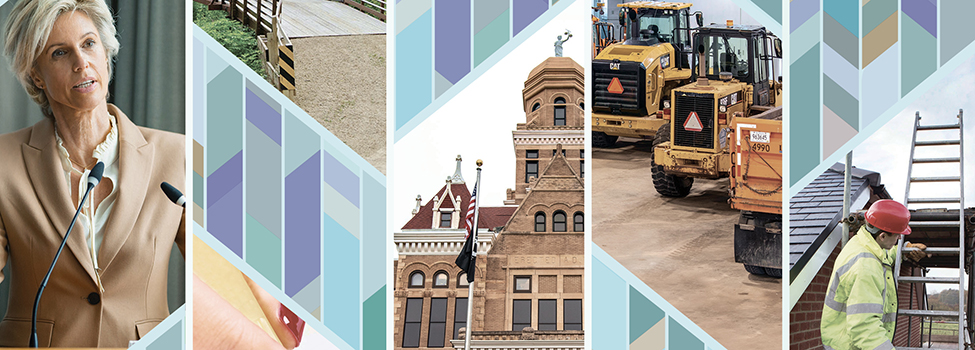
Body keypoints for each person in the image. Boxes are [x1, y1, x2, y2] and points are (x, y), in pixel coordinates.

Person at [0, 0, 184, 346]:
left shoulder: (178, 154)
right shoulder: (3, 161)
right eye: (59, 53)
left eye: (89, 44)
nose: (81, 62)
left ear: (105, 52)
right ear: (35, 73)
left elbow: (224, 272)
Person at [821, 199, 928, 350]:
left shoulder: (861, 243)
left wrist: (904, 251)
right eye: (897, 235)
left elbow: (882, 254)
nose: (899, 238)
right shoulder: (866, 267)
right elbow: (865, 329)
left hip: (843, 340)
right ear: (883, 236)